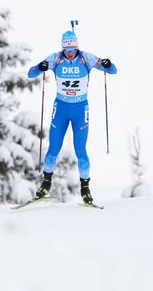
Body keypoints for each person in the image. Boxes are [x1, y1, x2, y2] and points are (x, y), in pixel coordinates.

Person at [28, 31, 117, 205]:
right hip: (61, 109)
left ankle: (85, 188)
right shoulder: (55, 59)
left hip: (79, 110)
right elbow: (30, 74)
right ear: (63, 48)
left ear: (77, 46)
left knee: (80, 150)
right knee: (53, 148)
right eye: (66, 49)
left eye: (72, 48)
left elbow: (112, 70)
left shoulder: (86, 58)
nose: (70, 52)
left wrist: (108, 63)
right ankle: (46, 183)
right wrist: (40, 67)